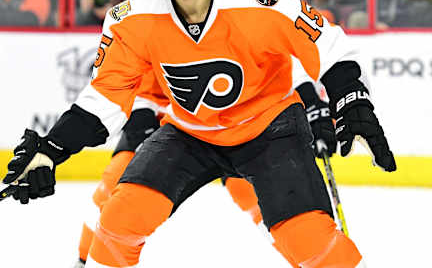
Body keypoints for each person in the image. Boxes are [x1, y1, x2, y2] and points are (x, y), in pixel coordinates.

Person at [2, 0, 395, 268]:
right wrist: (51, 150)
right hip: (190, 133)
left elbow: (331, 47)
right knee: (119, 219)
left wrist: (353, 105)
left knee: (310, 242)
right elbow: (105, 95)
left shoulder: (261, 4)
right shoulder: (132, 18)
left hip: (269, 130)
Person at [72, 74, 336, 268]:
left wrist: (309, 100)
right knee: (114, 189)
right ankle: (84, 261)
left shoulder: (230, 12)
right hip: (164, 121)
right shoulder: (150, 18)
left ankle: (307, 262)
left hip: (226, 123)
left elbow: (275, 56)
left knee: (265, 201)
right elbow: (126, 74)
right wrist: (141, 116)